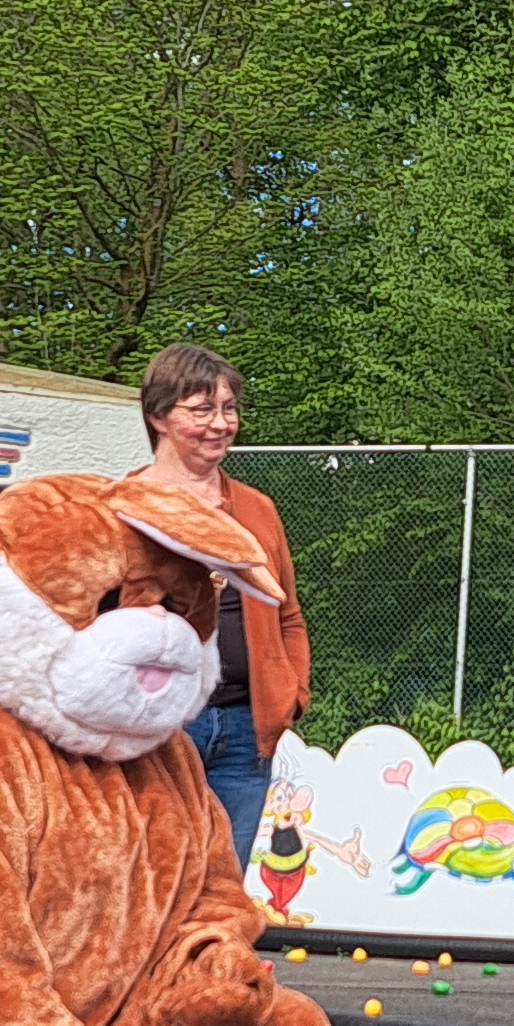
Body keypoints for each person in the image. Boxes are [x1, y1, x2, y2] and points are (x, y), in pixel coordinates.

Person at [128, 342, 307, 862]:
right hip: (160, 730)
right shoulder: (123, 507)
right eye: (201, 409)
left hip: (245, 732)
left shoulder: (257, 508)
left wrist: (287, 695)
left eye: (228, 408)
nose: (220, 423)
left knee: (224, 888)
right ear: (158, 417)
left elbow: (288, 616)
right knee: (154, 879)